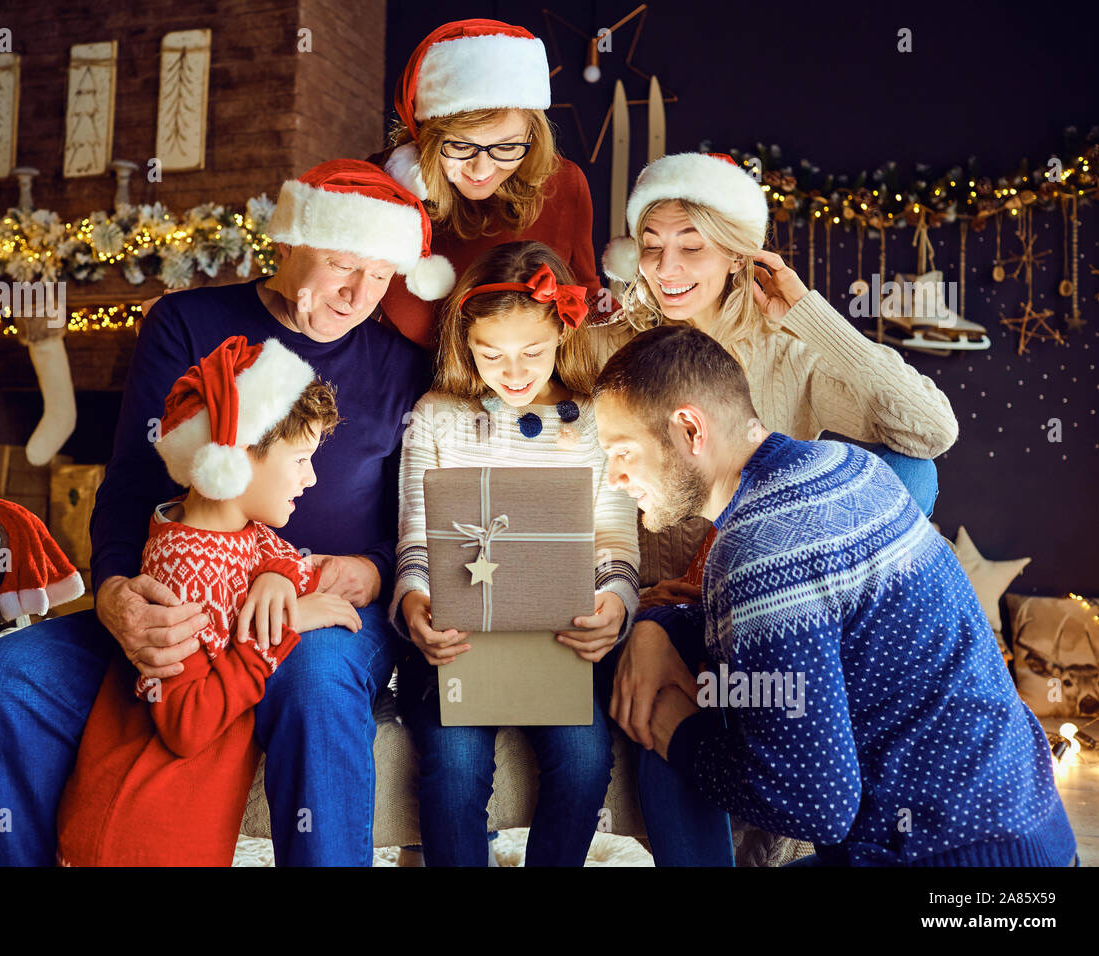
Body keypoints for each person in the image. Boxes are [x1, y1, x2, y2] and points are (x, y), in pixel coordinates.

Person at [0, 160, 445, 866]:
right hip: (184, 586)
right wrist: (117, 592)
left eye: (380, 274)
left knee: (313, 676)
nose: (359, 292)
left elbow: (413, 516)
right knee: (6, 675)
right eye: (342, 263)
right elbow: (131, 481)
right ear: (288, 242)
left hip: (321, 601)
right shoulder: (187, 323)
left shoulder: (402, 365)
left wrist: (371, 571)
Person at [594, 323, 1077, 866]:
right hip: (1038, 838)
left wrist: (679, 734)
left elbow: (816, 806)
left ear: (689, 428)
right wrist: (662, 626)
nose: (612, 477)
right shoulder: (853, 468)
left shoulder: (757, 553)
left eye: (622, 452)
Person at [597, 151, 961, 865]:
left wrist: (809, 315)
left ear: (737, 253)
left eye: (691, 246)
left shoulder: (787, 351)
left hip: (769, 598)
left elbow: (931, 432)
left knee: (910, 471)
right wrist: (647, 614)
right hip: (675, 607)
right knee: (674, 712)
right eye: (651, 246)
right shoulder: (613, 346)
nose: (666, 267)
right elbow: (604, 491)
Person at [56, 335, 357, 866]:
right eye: (302, 459)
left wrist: (278, 582)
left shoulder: (236, 530)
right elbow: (187, 725)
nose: (312, 478)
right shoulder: (178, 575)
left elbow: (280, 555)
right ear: (237, 457)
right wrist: (283, 628)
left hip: (187, 828)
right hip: (139, 830)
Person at [392, 240, 639, 865]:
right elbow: (416, 534)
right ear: (463, 344)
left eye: (532, 351)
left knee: (584, 759)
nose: (514, 371)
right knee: (453, 762)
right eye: (490, 354)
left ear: (563, 332)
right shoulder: (436, 416)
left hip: (557, 635)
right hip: (456, 636)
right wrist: (416, 602)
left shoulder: (592, 423)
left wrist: (614, 604)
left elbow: (614, 539)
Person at [373, 18, 605, 350]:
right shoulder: (384, 182)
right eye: (461, 146)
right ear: (426, 136)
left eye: (507, 147)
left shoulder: (565, 184)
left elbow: (588, 297)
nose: (482, 169)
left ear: (532, 137)